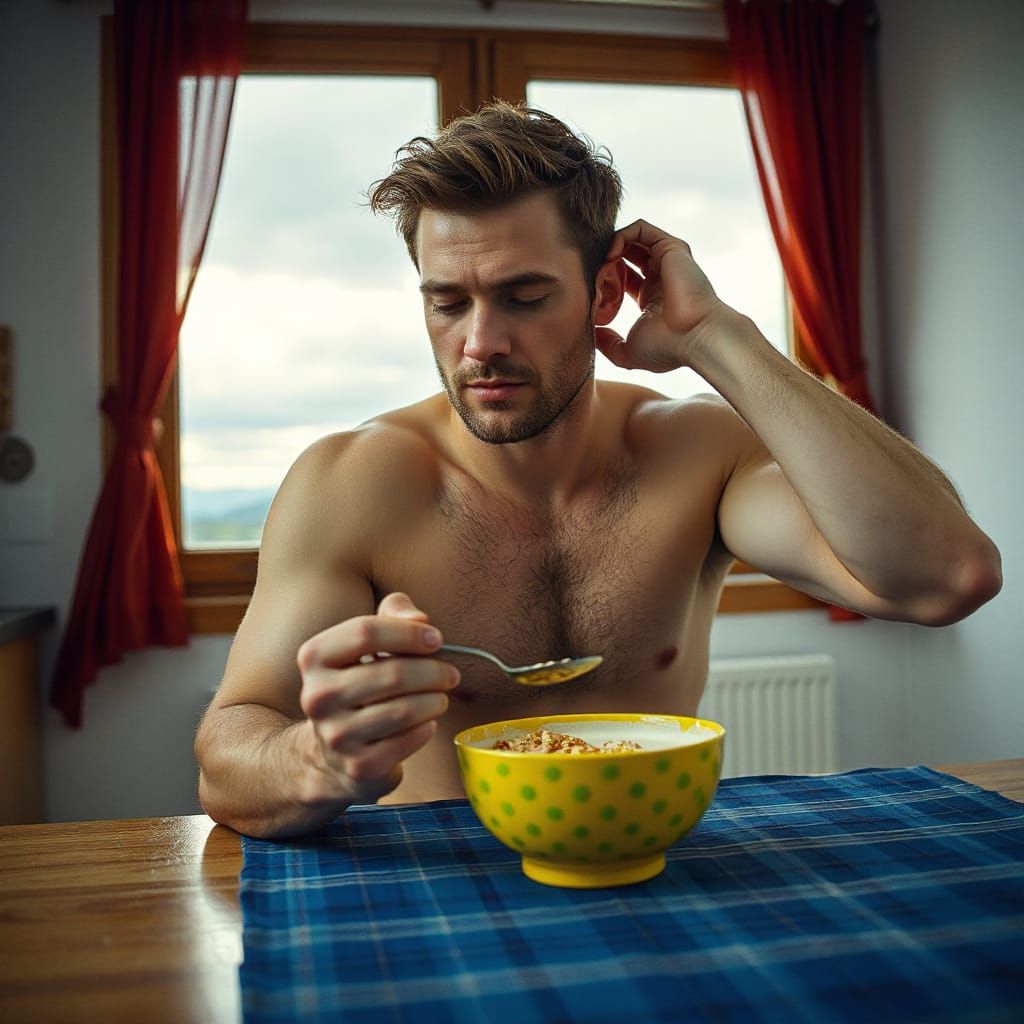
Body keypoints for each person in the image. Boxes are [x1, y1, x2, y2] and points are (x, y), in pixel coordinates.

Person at [194, 102, 1001, 839]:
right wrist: (318, 760)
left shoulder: (699, 457)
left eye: (524, 296)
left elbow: (947, 575)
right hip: (444, 890)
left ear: (604, 293)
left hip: (658, 870)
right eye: (447, 302)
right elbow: (229, 751)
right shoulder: (352, 483)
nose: (480, 344)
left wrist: (719, 337)